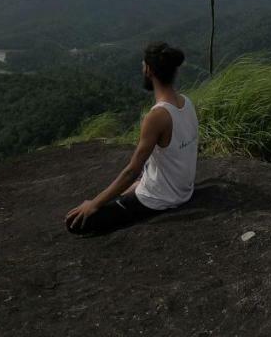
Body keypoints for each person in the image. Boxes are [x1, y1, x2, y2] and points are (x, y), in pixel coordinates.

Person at [65, 41, 198, 235]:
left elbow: (132, 171)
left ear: (149, 70)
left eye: (143, 65)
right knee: (118, 194)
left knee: (76, 223)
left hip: (160, 199)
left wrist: (94, 203)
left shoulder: (157, 116)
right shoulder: (187, 102)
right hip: (184, 190)